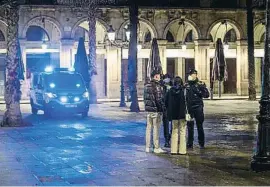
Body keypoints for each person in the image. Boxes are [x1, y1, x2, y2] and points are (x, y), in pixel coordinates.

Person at [185, 69, 209, 149]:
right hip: (189, 108)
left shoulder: (200, 84)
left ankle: (201, 143)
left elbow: (206, 95)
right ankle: (190, 143)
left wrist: (199, 92)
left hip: (198, 107)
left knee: (200, 126)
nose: (193, 75)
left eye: (195, 74)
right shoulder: (186, 84)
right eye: (192, 74)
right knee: (190, 127)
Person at [144, 69, 166, 154]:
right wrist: (162, 109)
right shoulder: (157, 86)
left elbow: (145, 99)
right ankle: (156, 147)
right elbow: (159, 99)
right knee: (156, 129)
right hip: (156, 110)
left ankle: (147, 147)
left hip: (149, 111)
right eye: (159, 75)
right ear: (156, 76)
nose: (160, 77)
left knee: (148, 129)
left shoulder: (146, 85)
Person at [166, 76, 187, 155]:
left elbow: (166, 102)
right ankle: (182, 150)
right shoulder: (184, 90)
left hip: (173, 114)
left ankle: (173, 150)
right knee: (182, 131)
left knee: (174, 131)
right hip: (182, 114)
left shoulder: (170, 91)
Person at [161, 74, 172, 147]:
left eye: (168, 78)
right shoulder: (162, 88)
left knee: (172, 126)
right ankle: (167, 140)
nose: (167, 80)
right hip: (165, 109)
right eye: (165, 78)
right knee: (166, 126)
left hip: (173, 108)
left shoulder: (173, 86)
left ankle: (170, 137)